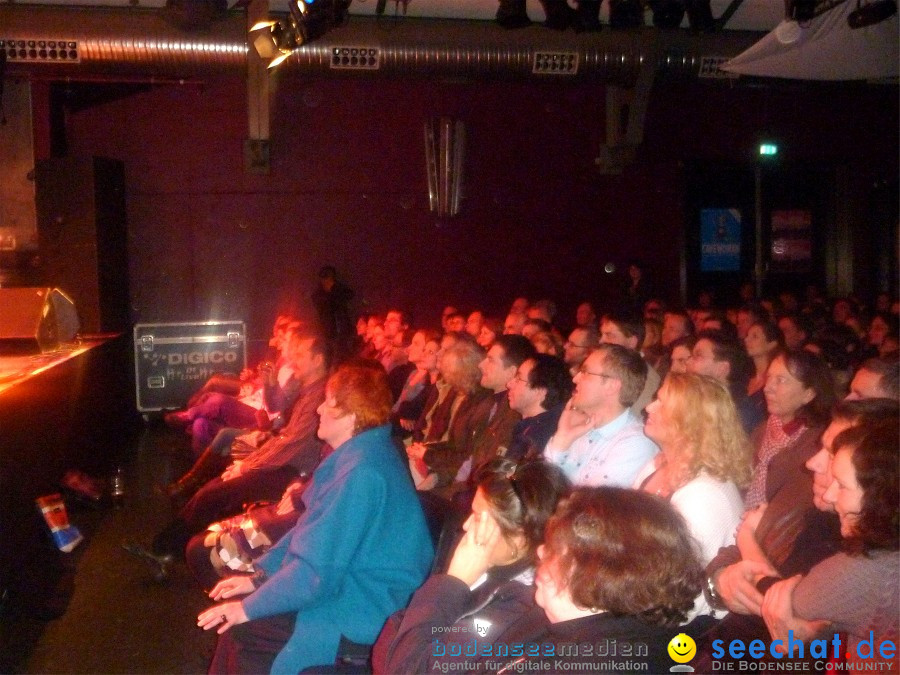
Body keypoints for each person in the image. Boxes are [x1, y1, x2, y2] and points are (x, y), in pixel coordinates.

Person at [197, 362, 434, 674]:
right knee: (241, 630)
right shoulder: (362, 456)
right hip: (350, 586)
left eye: (328, 401)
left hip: (363, 608)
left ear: (351, 414)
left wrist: (248, 607)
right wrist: (257, 580)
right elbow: (308, 536)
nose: (319, 409)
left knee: (243, 629)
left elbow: (317, 572)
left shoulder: (361, 472)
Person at [380, 486, 706, 673]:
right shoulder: (532, 606)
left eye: (553, 549)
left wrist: (453, 582)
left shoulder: (587, 658)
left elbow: (412, 665)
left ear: (594, 571)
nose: (539, 553)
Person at [373, 458, 571, 673]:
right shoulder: (484, 561)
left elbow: (409, 668)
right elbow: (403, 626)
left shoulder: (518, 608)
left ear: (519, 539)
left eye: (478, 518)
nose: (466, 525)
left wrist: (451, 584)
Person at [761, 418, 899, 669]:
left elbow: (788, 609)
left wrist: (746, 542)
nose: (829, 495)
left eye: (843, 486)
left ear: (883, 497)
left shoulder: (868, 569)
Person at [636, 372, 750, 617]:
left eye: (661, 402)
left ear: (688, 421)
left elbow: (686, 601)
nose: (648, 406)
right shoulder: (657, 465)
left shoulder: (704, 496)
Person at [544, 343, 658, 488]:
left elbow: (590, 505)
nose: (575, 379)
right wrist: (562, 438)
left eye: (585, 372)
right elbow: (542, 489)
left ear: (612, 386)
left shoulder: (635, 444)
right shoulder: (580, 425)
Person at [505, 354, 573, 461]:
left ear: (539, 392)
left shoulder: (540, 437)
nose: (509, 384)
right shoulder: (530, 427)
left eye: (518, 379)